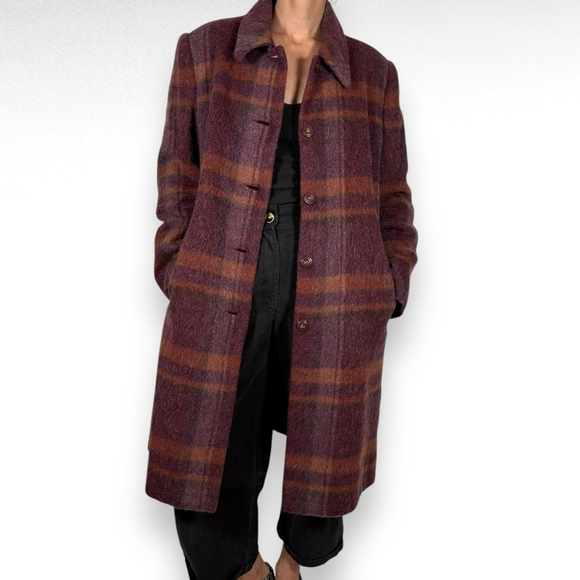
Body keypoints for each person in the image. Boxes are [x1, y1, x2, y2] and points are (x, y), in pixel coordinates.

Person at [146, 0, 419, 579]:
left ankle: (296, 562)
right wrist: (180, 267)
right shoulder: (205, 49)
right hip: (222, 270)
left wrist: (390, 284)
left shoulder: (373, 73)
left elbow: (393, 194)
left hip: (340, 278)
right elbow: (177, 171)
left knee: (325, 432)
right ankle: (239, 569)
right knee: (213, 431)